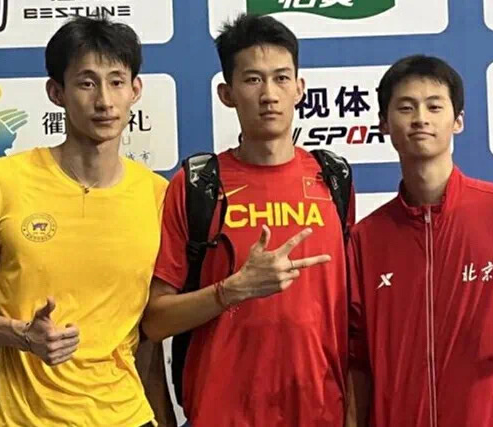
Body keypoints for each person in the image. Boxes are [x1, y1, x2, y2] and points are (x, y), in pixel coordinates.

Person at [0, 16, 173, 427]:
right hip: (27, 419)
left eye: (117, 82)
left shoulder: (158, 194)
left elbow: (152, 327)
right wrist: (21, 335)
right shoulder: (2, 181)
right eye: (86, 83)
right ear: (56, 92)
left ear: (135, 90)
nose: (104, 101)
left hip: (128, 415)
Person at [142, 13, 355, 426]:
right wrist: (232, 290)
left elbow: (349, 316)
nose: (269, 95)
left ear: (300, 88)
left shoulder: (333, 179)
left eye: (281, 78)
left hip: (319, 412)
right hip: (221, 414)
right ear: (227, 93)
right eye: (253, 79)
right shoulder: (198, 185)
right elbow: (155, 320)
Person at [348, 54, 493, 427]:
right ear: (384, 123)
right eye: (406, 107)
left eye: (434, 106)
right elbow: (356, 357)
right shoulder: (365, 238)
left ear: (458, 121)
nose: (421, 118)